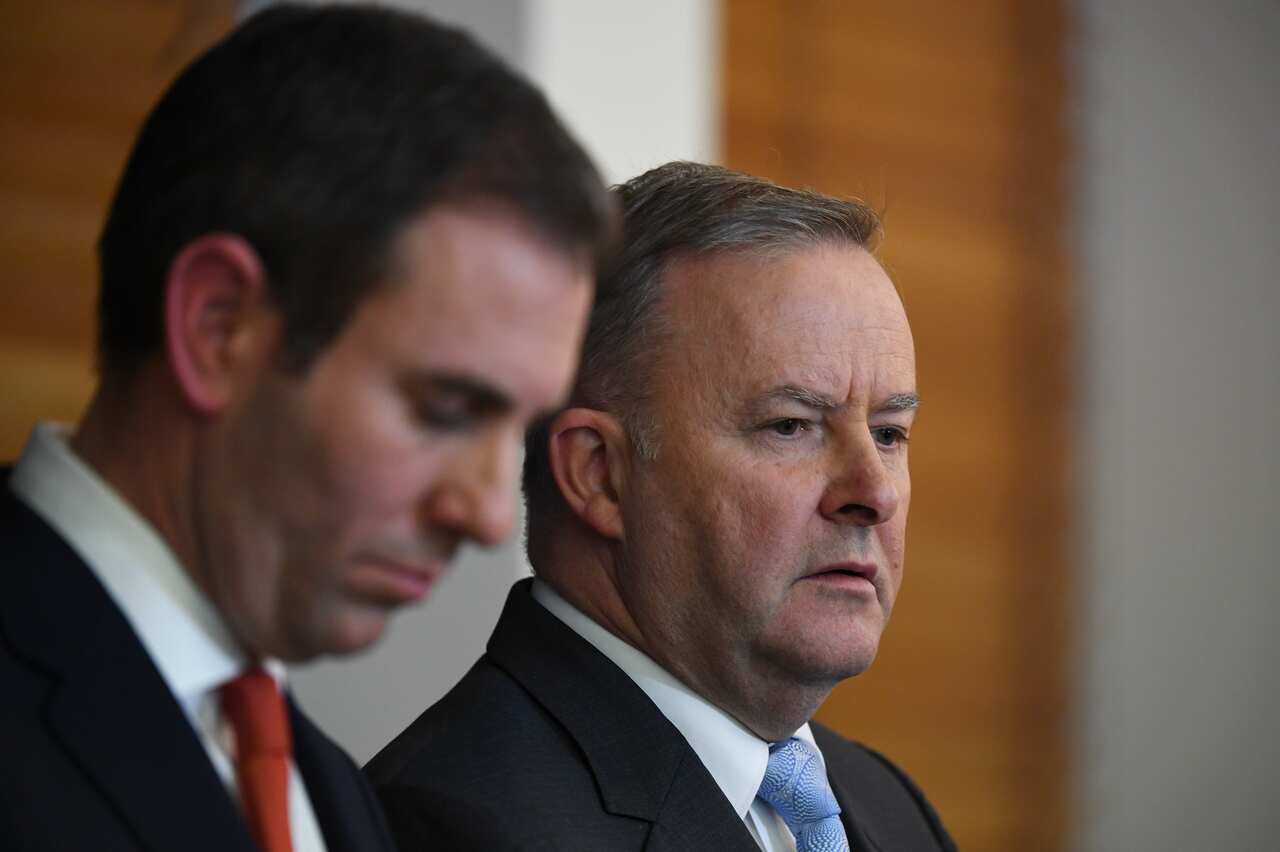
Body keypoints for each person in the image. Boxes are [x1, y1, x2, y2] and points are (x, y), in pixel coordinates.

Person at [0, 4, 613, 851]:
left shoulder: (334, 795)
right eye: (445, 408)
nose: (487, 515)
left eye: (515, 429)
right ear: (219, 326)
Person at [368, 162, 956, 851]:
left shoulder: (888, 807)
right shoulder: (447, 826)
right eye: (791, 426)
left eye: (888, 433)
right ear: (599, 475)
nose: (874, 494)